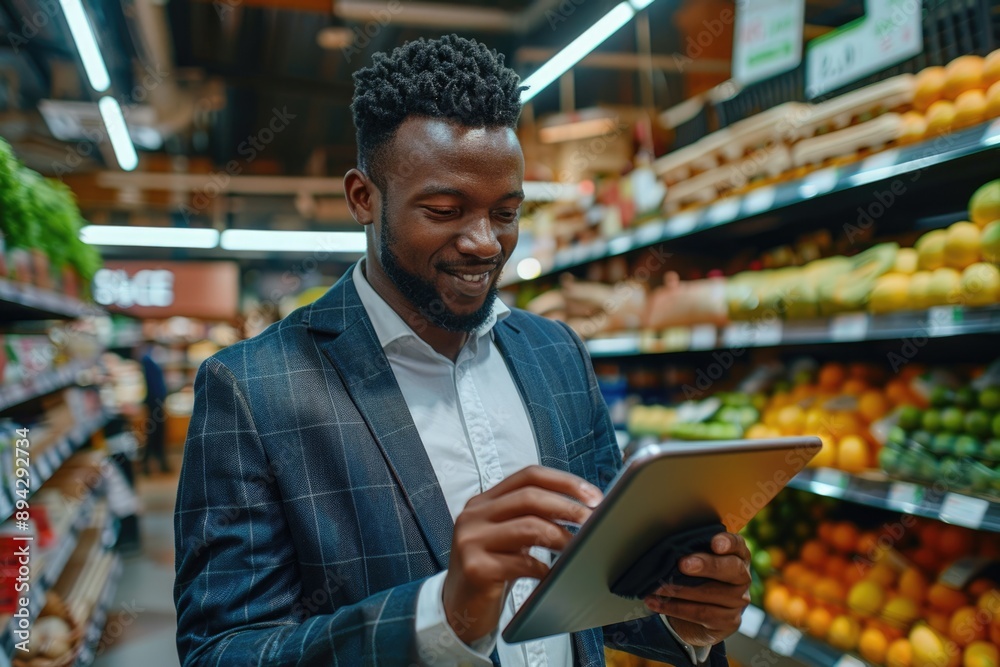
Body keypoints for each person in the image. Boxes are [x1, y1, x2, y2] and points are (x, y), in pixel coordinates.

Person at [174, 35, 751, 666]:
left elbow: (606, 586)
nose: (485, 243)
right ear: (363, 198)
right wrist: (439, 617)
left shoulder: (556, 353)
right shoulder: (253, 389)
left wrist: (687, 616)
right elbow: (221, 652)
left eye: (506, 213)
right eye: (445, 210)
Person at [138, 342, 170, 474]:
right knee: (155, 433)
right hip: (155, 403)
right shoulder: (148, 361)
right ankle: (154, 463)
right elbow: (154, 386)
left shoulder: (150, 361)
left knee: (155, 433)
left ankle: (152, 463)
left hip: (155, 402)